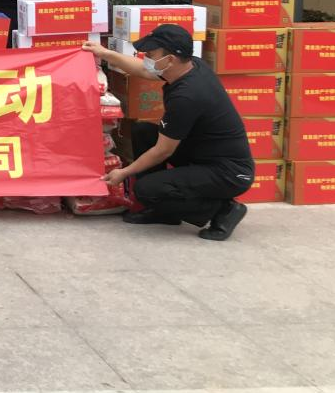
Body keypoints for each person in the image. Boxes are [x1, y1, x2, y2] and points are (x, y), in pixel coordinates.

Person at [84, 24, 253, 241]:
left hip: (228, 172)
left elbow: (163, 151)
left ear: (171, 59)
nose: (146, 58)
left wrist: (124, 173)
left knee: (146, 189)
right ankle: (162, 212)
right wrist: (104, 53)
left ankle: (223, 210)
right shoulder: (190, 66)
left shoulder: (188, 96)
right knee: (143, 131)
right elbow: (144, 70)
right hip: (202, 152)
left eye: (151, 54)